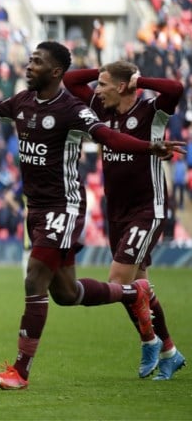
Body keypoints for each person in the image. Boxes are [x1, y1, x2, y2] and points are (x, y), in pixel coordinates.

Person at [0, 41, 186, 390]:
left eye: (37, 62)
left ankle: (20, 371)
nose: (28, 66)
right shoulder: (22, 102)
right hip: (37, 208)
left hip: (65, 207)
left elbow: (109, 137)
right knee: (66, 293)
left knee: (34, 278)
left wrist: (150, 146)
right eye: (29, 60)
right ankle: (136, 294)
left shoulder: (74, 109)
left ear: (54, 71)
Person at [64, 60, 186, 380]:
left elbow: (176, 88)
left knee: (118, 281)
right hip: (116, 209)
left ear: (122, 87)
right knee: (138, 286)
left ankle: (149, 340)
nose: (96, 90)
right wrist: (102, 71)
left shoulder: (151, 111)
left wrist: (137, 80)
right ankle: (169, 352)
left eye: (103, 84)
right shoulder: (102, 109)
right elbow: (70, 80)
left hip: (147, 207)